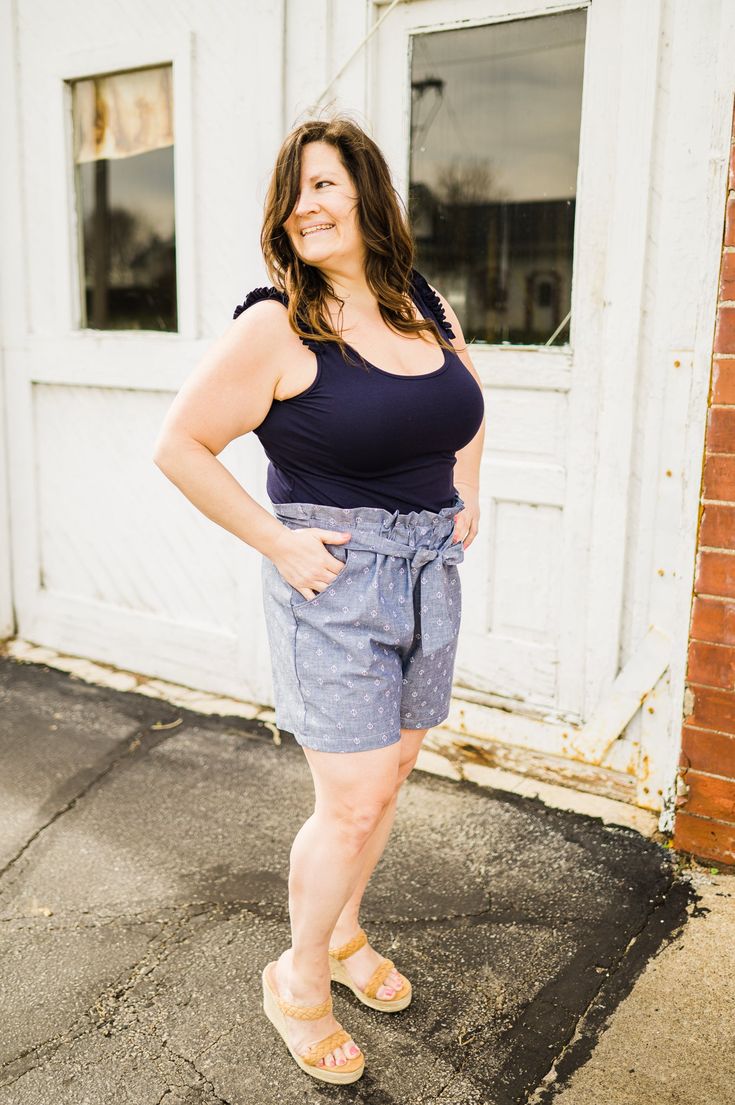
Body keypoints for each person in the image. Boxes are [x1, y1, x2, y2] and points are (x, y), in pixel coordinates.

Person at [153, 114, 485, 1085]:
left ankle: (340, 931)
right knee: (349, 801)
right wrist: (277, 540)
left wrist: (469, 488)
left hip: (429, 576)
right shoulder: (277, 325)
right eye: (294, 191)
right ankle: (298, 978)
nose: (306, 205)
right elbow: (180, 445)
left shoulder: (421, 303)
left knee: (387, 778)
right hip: (338, 584)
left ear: (370, 197)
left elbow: (466, 399)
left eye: (327, 184)